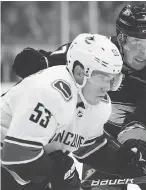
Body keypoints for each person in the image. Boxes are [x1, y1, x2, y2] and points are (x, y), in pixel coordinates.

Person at [11, 4, 146, 190]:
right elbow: (70, 54)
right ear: (121, 39)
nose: (145, 53)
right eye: (137, 43)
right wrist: (42, 61)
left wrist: (139, 147)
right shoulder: (98, 51)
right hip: (103, 143)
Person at [1, 33, 124, 190]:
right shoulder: (51, 91)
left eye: (114, 80)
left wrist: (125, 161)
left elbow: (89, 149)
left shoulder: (97, 105)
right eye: (103, 78)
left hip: (20, 172)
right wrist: (56, 170)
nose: (108, 88)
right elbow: (16, 155)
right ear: (80, 73)